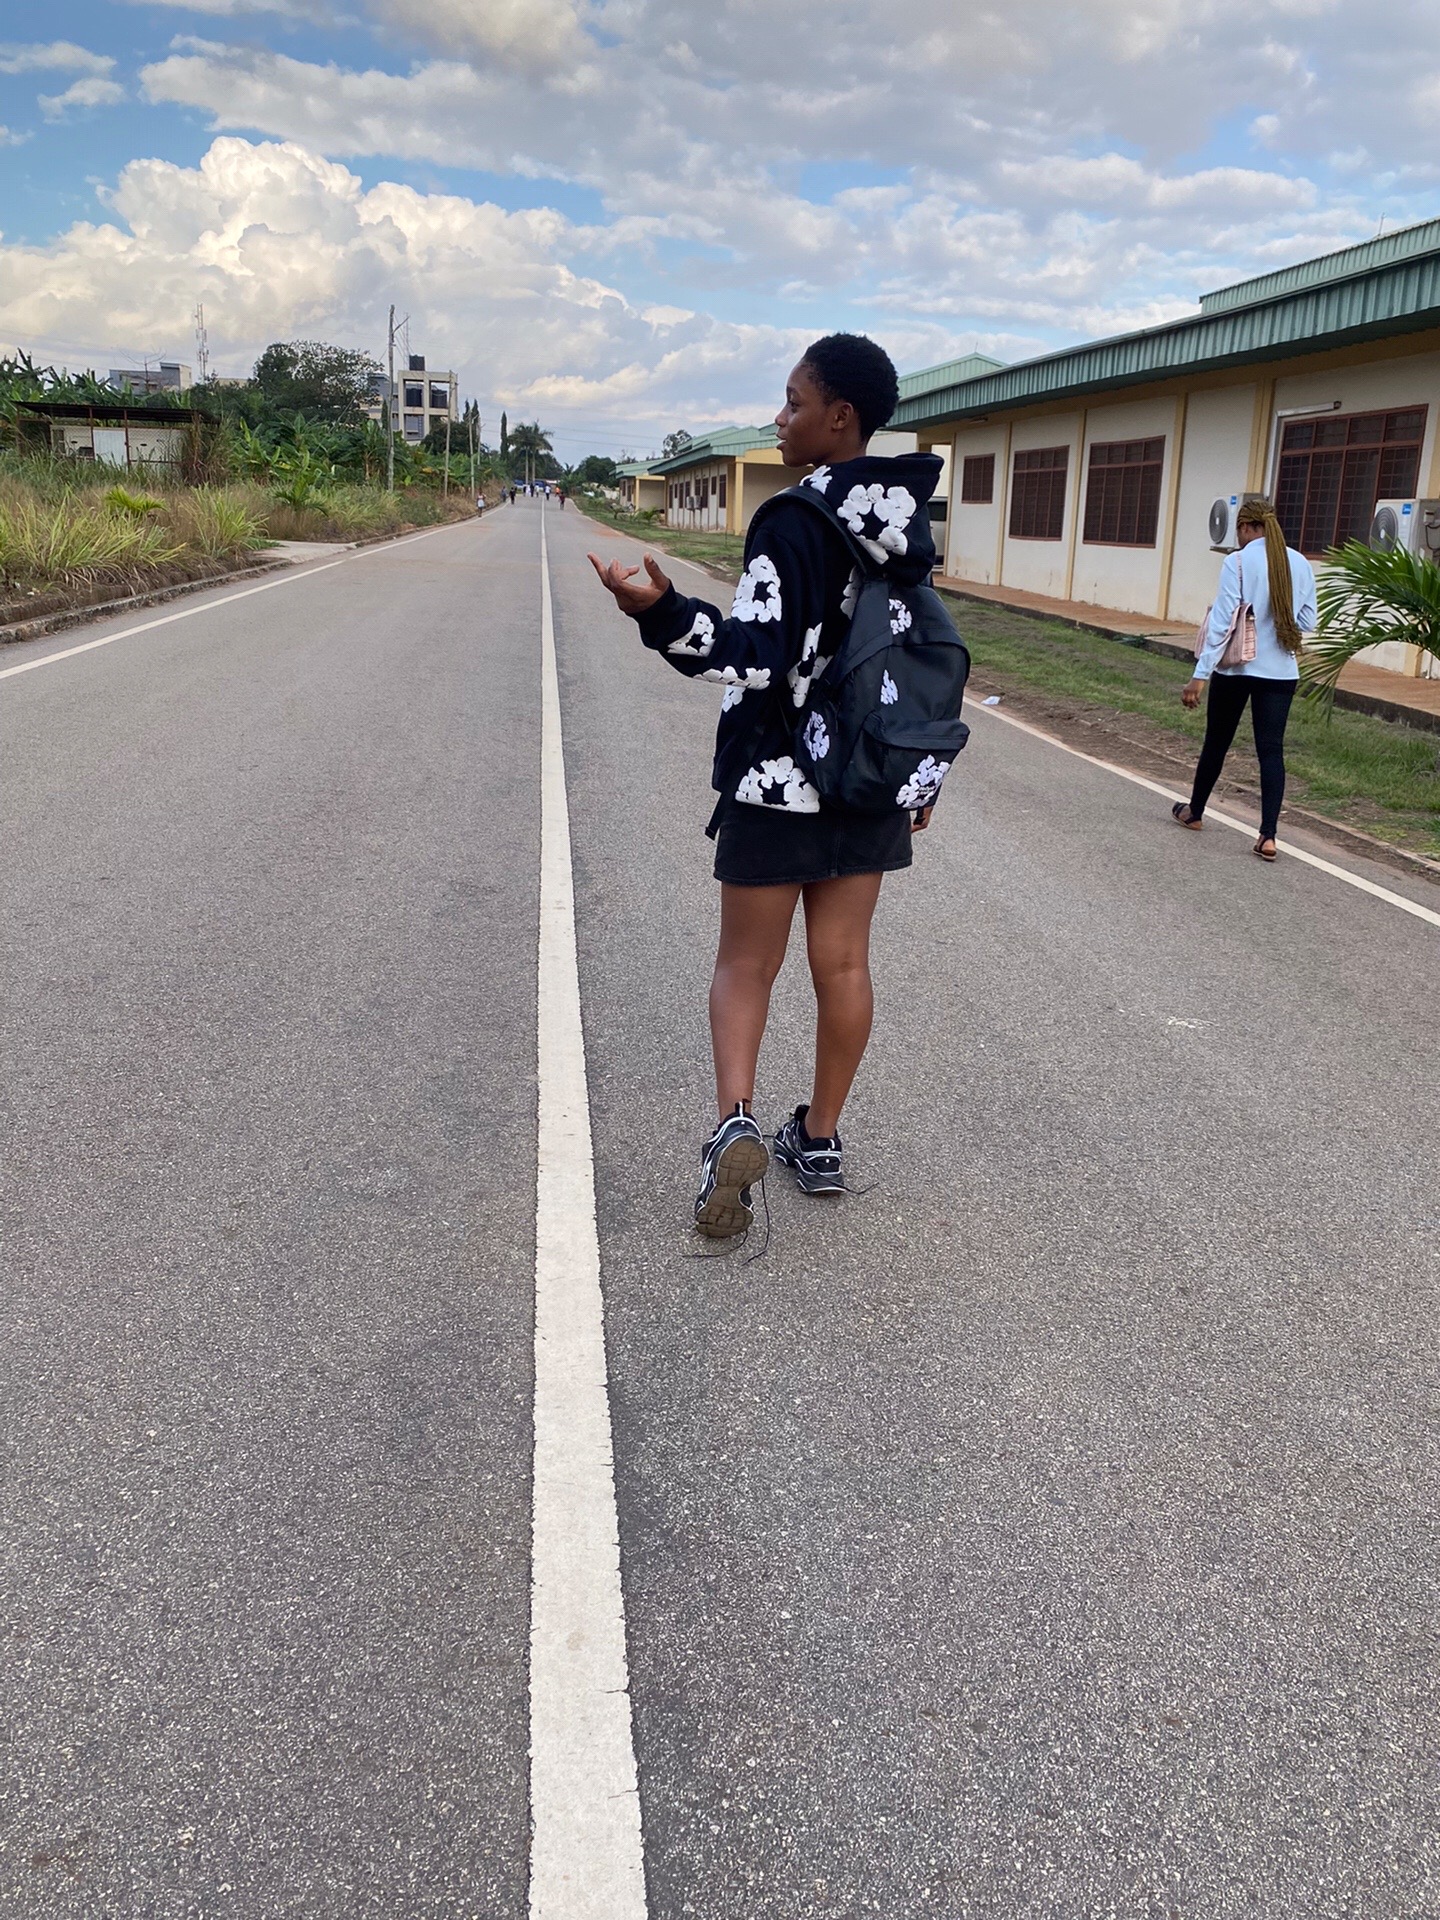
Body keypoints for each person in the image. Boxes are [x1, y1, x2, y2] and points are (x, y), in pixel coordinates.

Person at [589, 333, 945, 1238]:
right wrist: (917, 772)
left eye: (794, 403)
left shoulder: (793, 519)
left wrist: (660, 612)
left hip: (777, 778)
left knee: (746, 963)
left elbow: (755, 655)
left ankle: (735, 1128)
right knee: (846, 964)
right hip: (868, 779)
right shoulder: (904, 526)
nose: (779, 420)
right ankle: (819, 1139)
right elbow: (913, 658)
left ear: (841, 417)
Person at [1173, 497, 1316, 861]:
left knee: (1217, 742)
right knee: (1271, 750)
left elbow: (1222, 623)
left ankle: (1195, 812)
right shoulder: (1300, 563)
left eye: (1239, 530)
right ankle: (1268, 836)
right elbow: (1308, 621)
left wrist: (1200, 675)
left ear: (1246, 527)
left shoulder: (1236, 562)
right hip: (1281, 672)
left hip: (1237, 670)